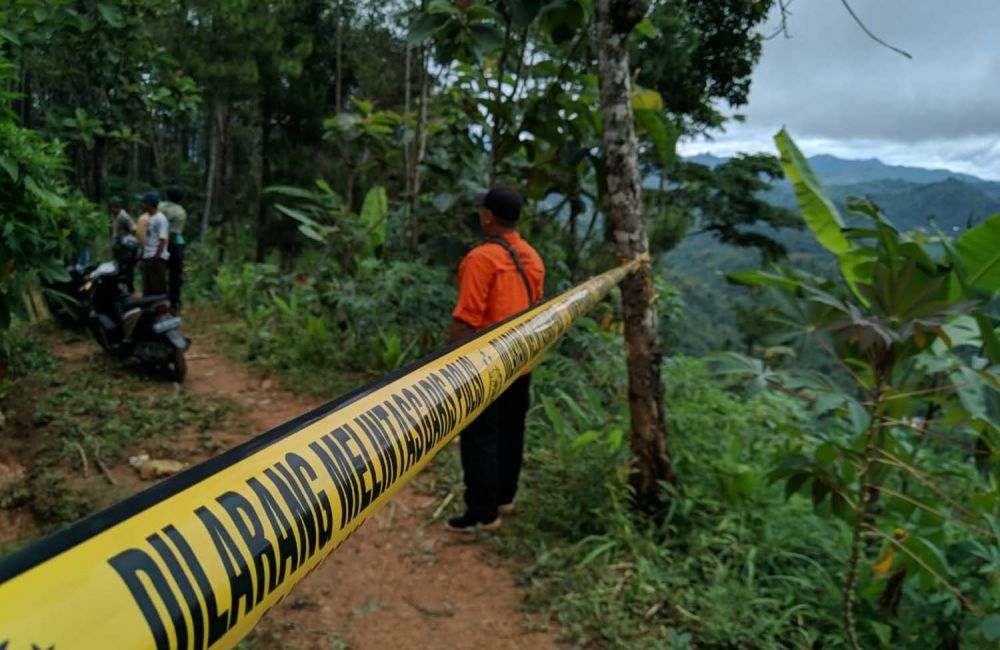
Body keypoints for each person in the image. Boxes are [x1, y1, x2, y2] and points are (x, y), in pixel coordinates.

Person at [447, 186, 545, 532]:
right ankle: (505, 497)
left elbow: (467, 318)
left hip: (486, 363)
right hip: (522, 359)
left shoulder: (481, 258)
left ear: (488, 215)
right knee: (511, 432)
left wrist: (452, 365)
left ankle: (483, 512)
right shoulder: (531, 256)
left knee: (480, 436)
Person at [158, 187, 187, 311]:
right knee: (175, 274)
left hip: (157, 243)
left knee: (158, 273)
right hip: (174, 244)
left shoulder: (159, 206)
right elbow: (174, 233)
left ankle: (158, 299)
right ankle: (174, 302)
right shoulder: (180, 212)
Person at [137, 191, 170, 296]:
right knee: (148, 288)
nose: (142, 205)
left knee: (158, 288)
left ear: (149, 204)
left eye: (144, 202)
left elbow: (162, 240)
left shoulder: (161, 219)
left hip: (156, 258)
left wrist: (156, 257)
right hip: (148, 256)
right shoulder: (149, 218)